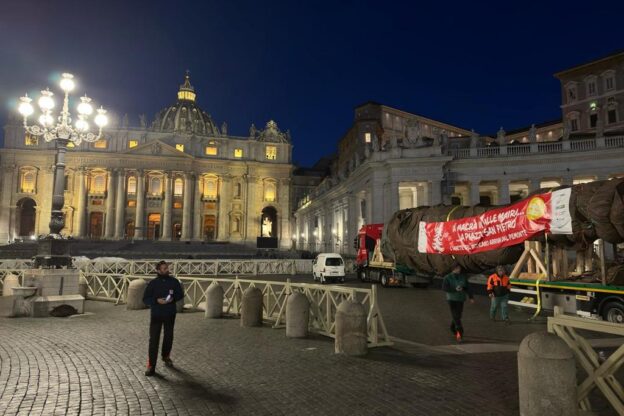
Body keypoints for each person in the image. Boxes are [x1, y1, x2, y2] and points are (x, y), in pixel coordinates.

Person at [143, 260, 185, 376]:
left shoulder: (174, 281)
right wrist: (156, 301)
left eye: (167, 268)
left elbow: (180, 294)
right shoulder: (153, 283)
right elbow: (145, 299)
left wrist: (173, 299)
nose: (166, 270)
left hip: (170, 313)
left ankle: (166, 356)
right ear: (158, 270)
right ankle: (151, 365)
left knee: (169, 337)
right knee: (154, 340)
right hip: (156, 314)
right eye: (164, 268)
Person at [442, 263, 474, 342]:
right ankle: (459, 332)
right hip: (451, 299)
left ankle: (452, 327)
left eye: (459, 268)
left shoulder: (463, 277)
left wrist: (471, 297)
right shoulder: (447, 277)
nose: (459, 270)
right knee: (456, 316)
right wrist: (454, 289)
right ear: (453, 269)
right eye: (457, 268)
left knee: (458, 315)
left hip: (460, 299)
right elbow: (445, 288)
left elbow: (468, 287)